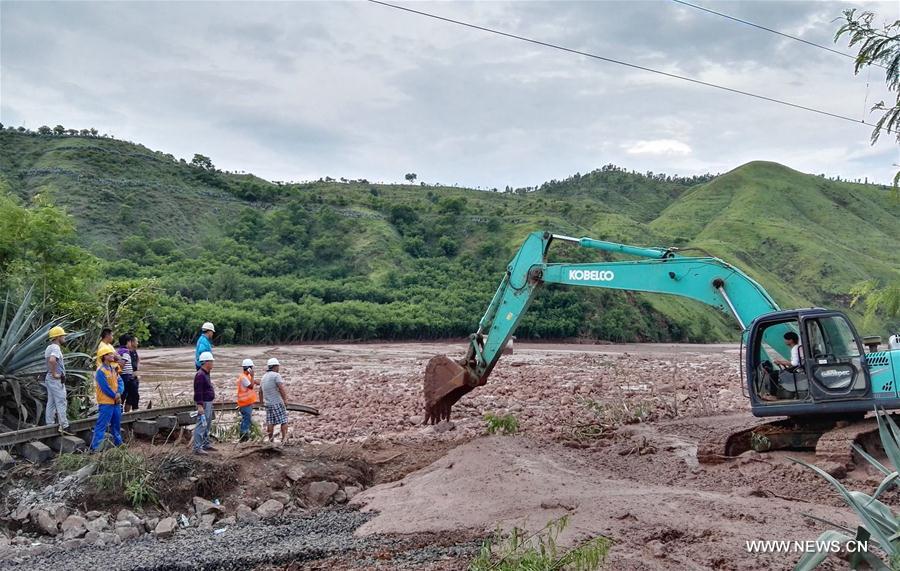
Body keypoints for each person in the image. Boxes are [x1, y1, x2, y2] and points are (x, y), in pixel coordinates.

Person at [91, 345, 123, 451]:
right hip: (106, 403)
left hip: (115, 402)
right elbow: (105, 388)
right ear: (104, 356)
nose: (112, 355)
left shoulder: (113, 369)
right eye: (110, 354)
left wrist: (119, 392)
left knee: (116, 425)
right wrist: (116, 395)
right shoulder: (101, 371)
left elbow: (120, 382)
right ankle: (96, 447)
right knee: (102, 425)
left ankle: (119, 444)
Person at [44, 326, 72, 435]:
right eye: (63, 335)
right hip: (55, 379)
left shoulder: (49, 348)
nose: (64, 337)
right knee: (61, 401)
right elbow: (52, 360)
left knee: (51, 402)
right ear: (58, 337)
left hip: (49, 379)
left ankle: (49, 424)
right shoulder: (55, 347)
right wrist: (55, 373)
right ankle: (64, 425)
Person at [260, 357, 289, 444]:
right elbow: (281, 388)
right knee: (284, 421)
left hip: (268, 404)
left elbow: (260, 391)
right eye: (278, 366)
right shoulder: (276, 375)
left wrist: (261, 402)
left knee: (270, 422)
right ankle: (284, 440)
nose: (278, 368)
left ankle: (271, 441)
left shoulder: (264, 377)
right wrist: (285, 400)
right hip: (276, 402)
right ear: (275, 366)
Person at [193, 351, 217, 455]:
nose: (212, 363)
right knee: (201, 424)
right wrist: (200, 406)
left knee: (207, 424)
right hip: (204, 403)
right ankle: (197, 447)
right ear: (206, 362)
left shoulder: (206, 374)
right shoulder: (200, 375)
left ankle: (205, 443)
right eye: (211, 361)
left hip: (208, 402)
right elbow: (198, 392)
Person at [236, 358, 259, 442]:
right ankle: (243, 438)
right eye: (252, 367)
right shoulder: (243, 377)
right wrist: (253, 376)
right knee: (246, 420)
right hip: (244, 403)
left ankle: (244, 437)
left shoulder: (246, 376)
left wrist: (260, 381)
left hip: (247, 403)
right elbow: (251, 386)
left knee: (246, 420)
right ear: (249, 368)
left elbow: (253, 382)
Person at [117, 334, 139, 412]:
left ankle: (121, 412)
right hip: (126, 376)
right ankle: (121, 412)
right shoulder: (126, 352)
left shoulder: (119, 351)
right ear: (128, 342)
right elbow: (122, 364)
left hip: (125, 376)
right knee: (124, 394)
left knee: (124, 394)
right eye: (130, 341)